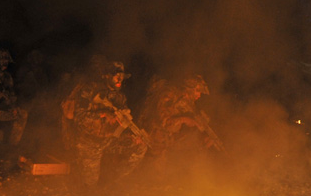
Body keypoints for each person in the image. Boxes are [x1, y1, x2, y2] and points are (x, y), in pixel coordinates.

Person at [60, 57, 147, 187]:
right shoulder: (90, 90)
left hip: (109, 140)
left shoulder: (120, 97)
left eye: (121, 76)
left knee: (140, 146)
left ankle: (113, 181)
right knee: (90, 185)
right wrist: (103, 114)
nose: (119, 79)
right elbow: (79, 118)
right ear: (106, 76)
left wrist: (132, 132)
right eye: (115, 75)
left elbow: (121, 125)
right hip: (89, 143)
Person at [140, 74, 222, 152]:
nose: (199, 95)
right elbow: (163, 121)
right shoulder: (170, 94)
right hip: (146, 139)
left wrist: (202, 140)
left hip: (161, 148)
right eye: (197, 90)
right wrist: (185, 120)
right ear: (189, 88)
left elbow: (179, 138)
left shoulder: (190, 107)